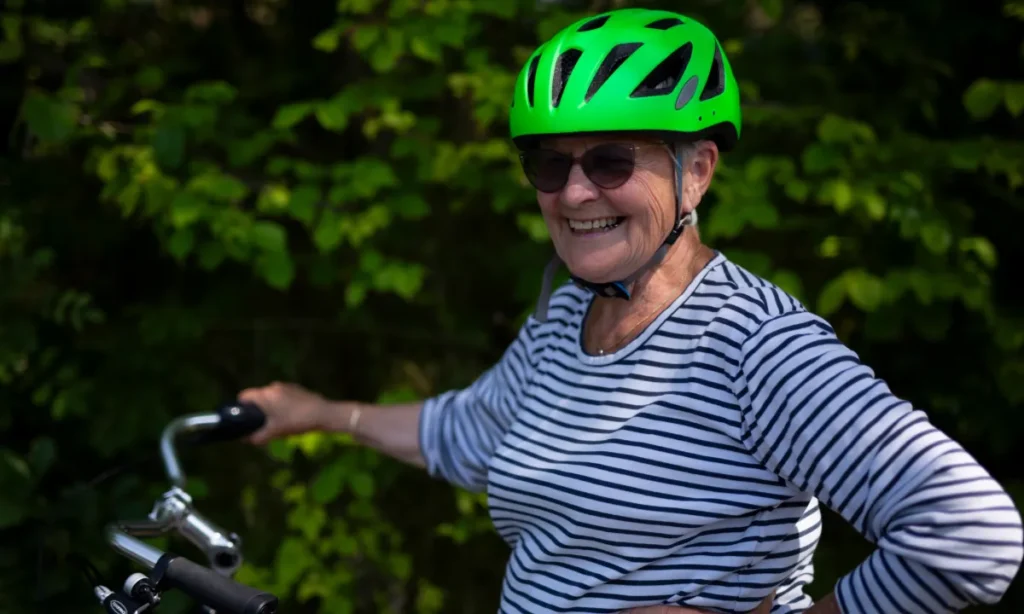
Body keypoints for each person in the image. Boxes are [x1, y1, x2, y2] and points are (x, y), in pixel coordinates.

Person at [239, 8, 1023, 613]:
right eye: (550, 164)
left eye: (612, 160)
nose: (576, 193)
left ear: (698, 172)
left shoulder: (759, 347)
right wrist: (317, 412)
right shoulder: (563, 321)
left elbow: (969, 534)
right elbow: (465, 432)